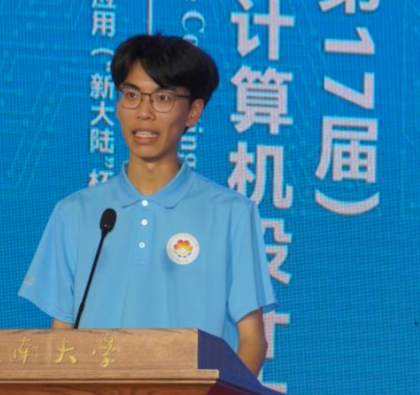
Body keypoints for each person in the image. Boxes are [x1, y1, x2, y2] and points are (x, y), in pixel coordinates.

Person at [18, 34, 275, 376]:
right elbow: (61, 338)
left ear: (193, 112)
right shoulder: (75, 213)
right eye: (131, 95)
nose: (143, 112)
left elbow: (253, 340)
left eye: (163, 98)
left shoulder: (231, 213)